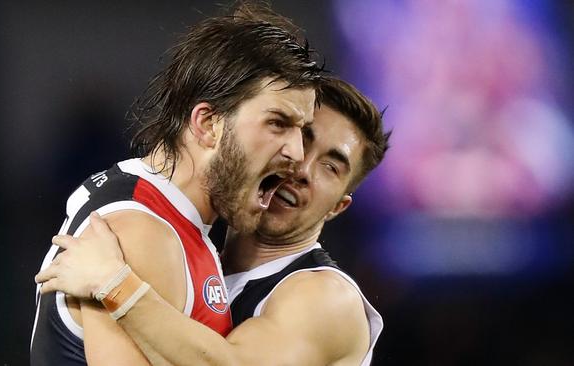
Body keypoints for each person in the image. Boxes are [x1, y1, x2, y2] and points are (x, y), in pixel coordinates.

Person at [29, 5, 323, 365]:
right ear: (208, 124)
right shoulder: (142, 235)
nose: (297, 152)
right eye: (277, 123)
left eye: (302, 131)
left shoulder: (167, 215)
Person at [36, 76, 391, 365]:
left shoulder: (325, 297)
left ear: (337, 208)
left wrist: (114, 285)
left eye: (330, 167)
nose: (300, 167)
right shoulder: (198, 253)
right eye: (300, 139)